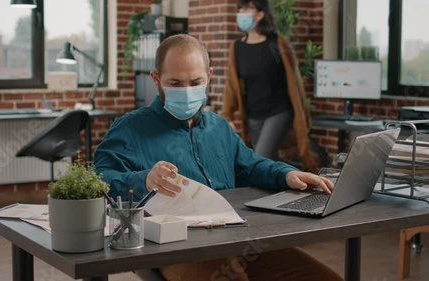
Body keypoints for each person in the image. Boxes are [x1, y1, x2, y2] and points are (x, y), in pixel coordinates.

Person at [94, 34, 342, 281]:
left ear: (209, 77)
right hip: (171, 247)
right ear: (156, 79)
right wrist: (145, 180)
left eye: (195, 81)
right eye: (175, 83)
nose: (187, 90)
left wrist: (287, 174)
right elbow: (100, 181)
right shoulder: (129, 130)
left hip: (236, 238)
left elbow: (250, 166)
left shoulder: (219, 128)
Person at [221, 0, 319, 171]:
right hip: (253, 116)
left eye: (247, 8)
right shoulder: (237, 48)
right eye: (240, 9)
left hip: (278, 111)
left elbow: (295, 82)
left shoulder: (277, 43)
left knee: (260, 158)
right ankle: (286, 192)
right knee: (269, 163)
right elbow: (231, 84)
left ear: (260, 14)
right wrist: (227, 114)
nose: (241, 12)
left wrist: (304, 115)